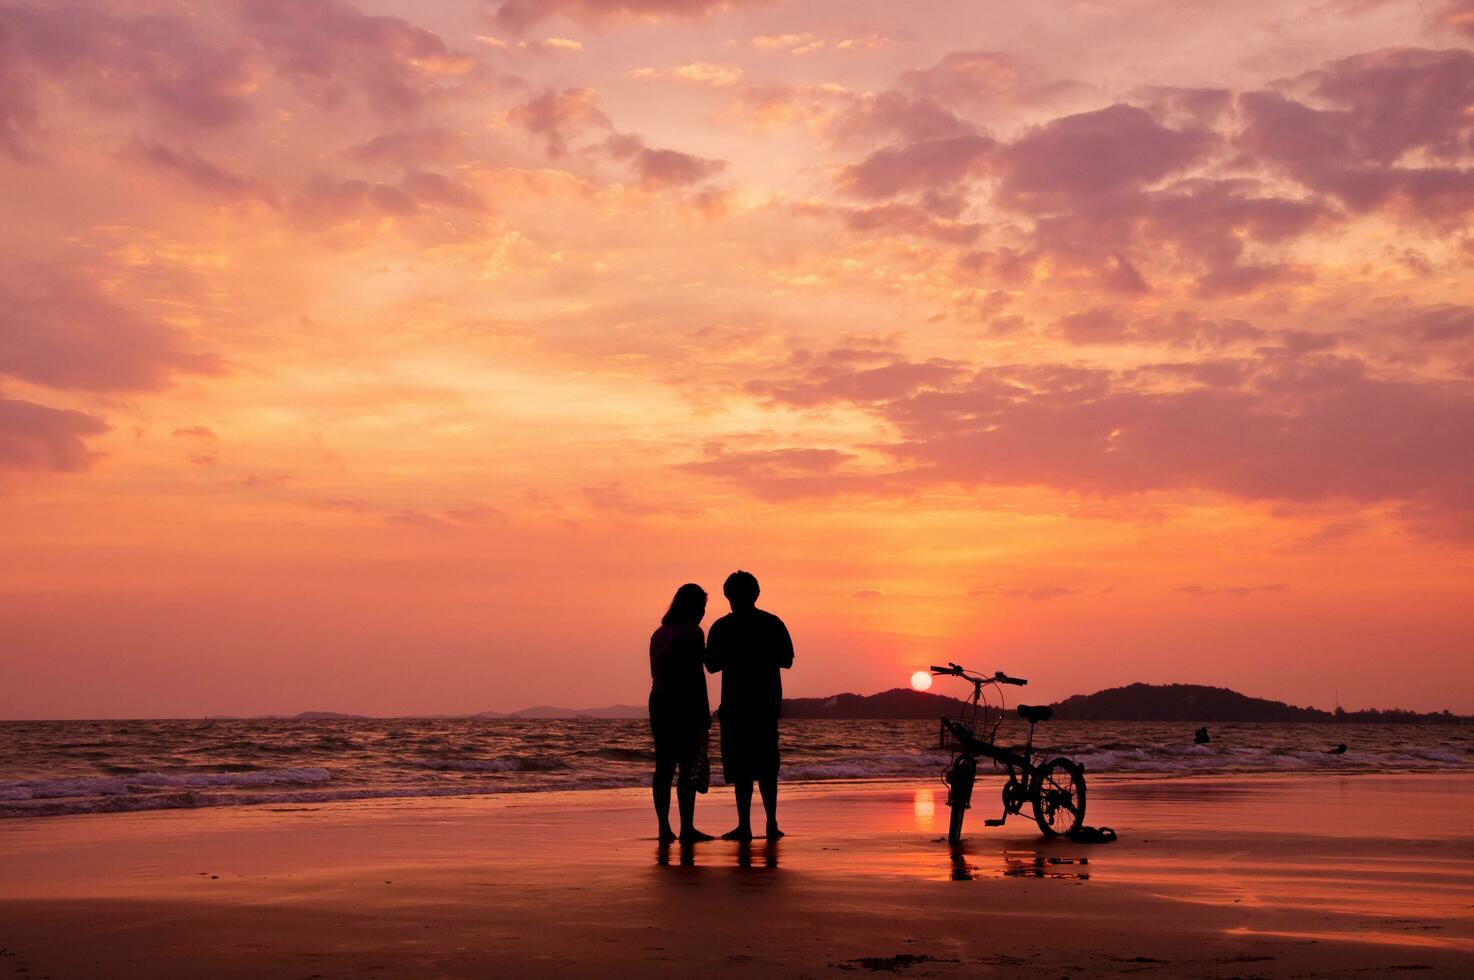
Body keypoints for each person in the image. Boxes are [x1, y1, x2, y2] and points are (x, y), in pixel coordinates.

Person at [706, 570, 794, 841]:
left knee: (742, 768)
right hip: (765, 705)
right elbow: (787, 659)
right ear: (756, 594)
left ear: (728, 596)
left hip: (736, 705)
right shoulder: (772, 623)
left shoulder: (721, 627)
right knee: (767, 766)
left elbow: (711, 666)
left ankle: (744, 825)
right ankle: (771, 823)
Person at [648, 583, 715, 844]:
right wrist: (704, 714)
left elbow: (654, 672)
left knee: (663, 767)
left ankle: (664, 828)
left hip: (660, 701)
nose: (702, 613)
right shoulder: (693, 633)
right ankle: (687, 827)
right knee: (687, 766)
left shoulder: (658, 634)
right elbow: (698, 675)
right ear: (692, 607)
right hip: (685, 703)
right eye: (701, 607)